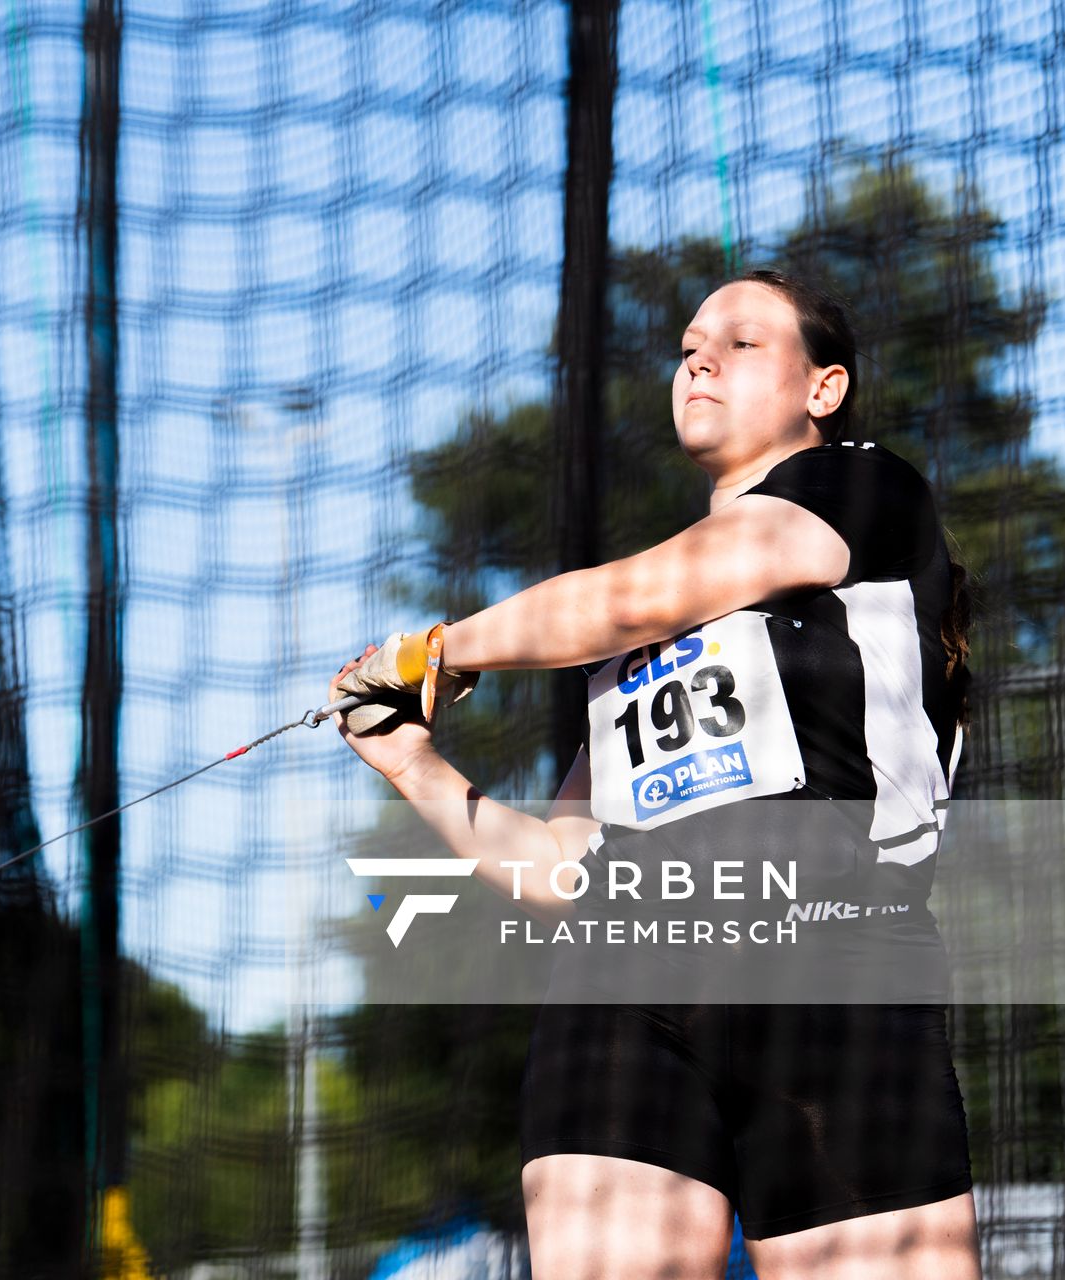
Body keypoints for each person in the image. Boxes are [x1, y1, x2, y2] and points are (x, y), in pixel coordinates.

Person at [330, 269, 979, 1278]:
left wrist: (442, 649)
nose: (699, 359)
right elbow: (560, 862)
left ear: (825, 388)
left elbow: (641, 594)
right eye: (687, 347)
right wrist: (413, 762)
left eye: (741, 343)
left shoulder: (865, 488)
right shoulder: (635, 633)